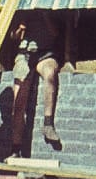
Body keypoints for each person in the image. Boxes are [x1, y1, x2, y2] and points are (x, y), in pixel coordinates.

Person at [12, 8, 62, 148]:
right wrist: (20, 28)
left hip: (45, 53)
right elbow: (13, 37)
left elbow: (55, 33)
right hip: (24, 54)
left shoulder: (51, 9)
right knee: (19, 100)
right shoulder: (20, 10)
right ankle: (16, 146)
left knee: (50, 75)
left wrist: (45, 16)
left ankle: (48, 123)